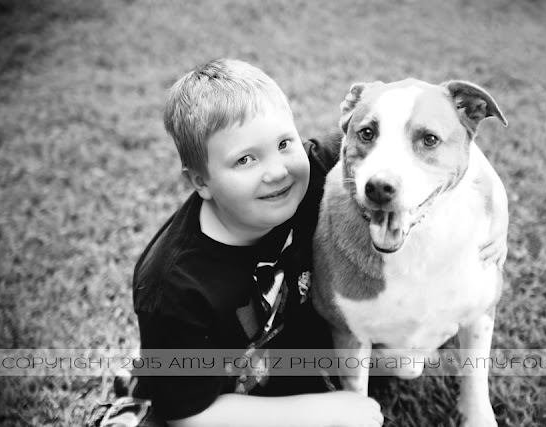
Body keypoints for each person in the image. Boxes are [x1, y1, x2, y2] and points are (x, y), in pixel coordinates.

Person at [131, 58, 508, 427]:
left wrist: (499, 204)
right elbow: (188, 413)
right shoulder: (174, 288)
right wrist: (323, 411)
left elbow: (455, 144)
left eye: (284, 144)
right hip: (229, 394)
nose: (276, 171)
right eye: (245, 159)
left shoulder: (312, 169)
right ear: (200, 181)